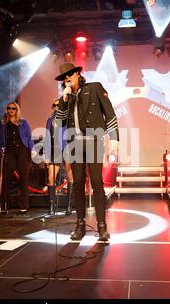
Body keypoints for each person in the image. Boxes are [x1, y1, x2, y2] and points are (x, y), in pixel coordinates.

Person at [54, 62, 119, 241]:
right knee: (77, 184)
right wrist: (64, 100)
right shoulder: (65, 98)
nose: (66, 78)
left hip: (93, 140)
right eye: (63, 77)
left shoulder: (94, 88)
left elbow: (110, 113)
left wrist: (114, 138)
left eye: (69, 74)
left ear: (76, 73)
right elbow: (58, 123)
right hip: (75, 143)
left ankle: (102, 227)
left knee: (97, 183)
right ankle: (80, 225)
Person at [0, 102, 35, 215]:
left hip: (22, 152)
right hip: (10, 152)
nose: (11, 110)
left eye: (13, 108)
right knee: (6, 178)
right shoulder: (4, 124)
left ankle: (24, 206)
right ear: (6, 110)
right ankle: (4, 205)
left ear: (17, 110)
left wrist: (33, 150)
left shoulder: (23, 122)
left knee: (23, 178)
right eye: (9, 108)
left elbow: (29, 138)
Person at [45, 98, 74, 215]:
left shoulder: (67, 118)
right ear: (52, 107)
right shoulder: (49, 120)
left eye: (59, 105)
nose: (57, 107)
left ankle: (69, 206)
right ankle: (52, 206)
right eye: (55, 105)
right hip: (54, 150)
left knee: (70, 177)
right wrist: (47, 156)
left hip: (67, 148)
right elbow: (47, 137)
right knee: (51, 178)